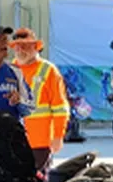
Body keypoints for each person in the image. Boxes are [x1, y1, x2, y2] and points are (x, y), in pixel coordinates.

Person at [10, 27, 70, 171]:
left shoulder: (48, 71)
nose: (20, 50)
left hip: (40, 142)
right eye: (17, 46)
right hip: (14, 141)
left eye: (25, 46)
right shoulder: (9, 69)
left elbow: (60, 107)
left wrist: (57, 136)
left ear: (36, 47)